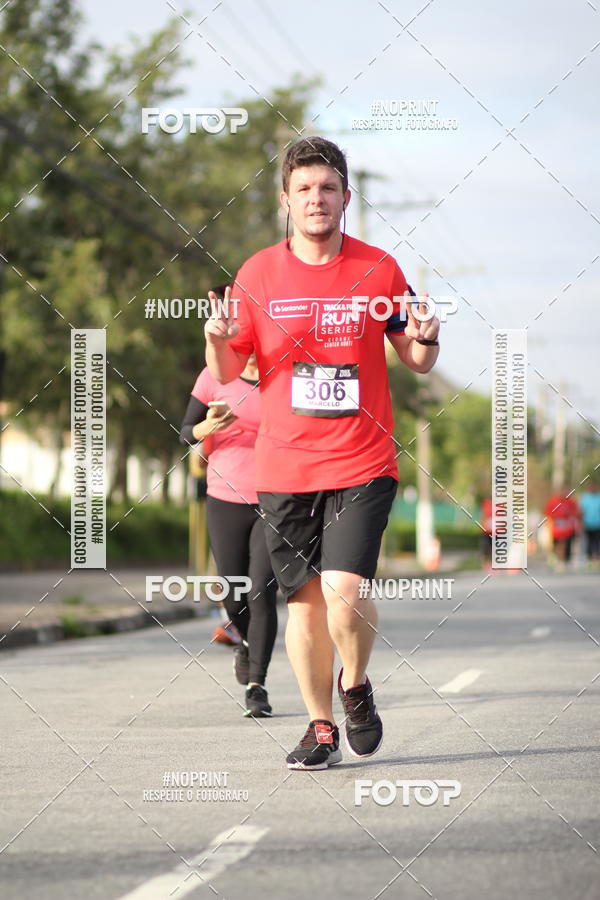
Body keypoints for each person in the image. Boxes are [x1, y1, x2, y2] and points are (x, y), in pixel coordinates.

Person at [204, 136, 440, 769]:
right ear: (286, 201)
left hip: (362, 460)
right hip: (284, 465)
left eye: (328, 188)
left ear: (345, 198)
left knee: (343, 588)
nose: (316, 199)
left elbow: (414, 360)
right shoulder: (257, 274)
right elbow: (228, 370)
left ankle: (355, 684)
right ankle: (320, 727)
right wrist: (217, 339)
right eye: (304, 190)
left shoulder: (380, 268)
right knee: (304, 602)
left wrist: (426, 340)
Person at [180, 347, 278, 717]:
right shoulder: (213, 376)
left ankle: (258, 686)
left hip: (275, 499)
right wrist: (210, 425)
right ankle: (245, 643)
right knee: (234, 594)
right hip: (224, 497)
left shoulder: (282, 379)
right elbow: (186, 433)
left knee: (261, 592)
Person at [544, 488, 580, 572]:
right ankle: (557, 560)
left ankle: (564, 562)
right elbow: (548, 514)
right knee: (556, 545)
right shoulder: (553, 501)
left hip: (568, 529)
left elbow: (576, 513)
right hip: (556, 529)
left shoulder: (570, 502)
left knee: (565, 545)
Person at [579, 482, 600, 566]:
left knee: (597, 541)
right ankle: (589, 559)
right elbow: (581, 511)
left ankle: (596, 558)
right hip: (587, 524)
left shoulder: (598, 497)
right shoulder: (585, 498)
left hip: (598, 524)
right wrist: (581, 523)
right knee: (588, 542)